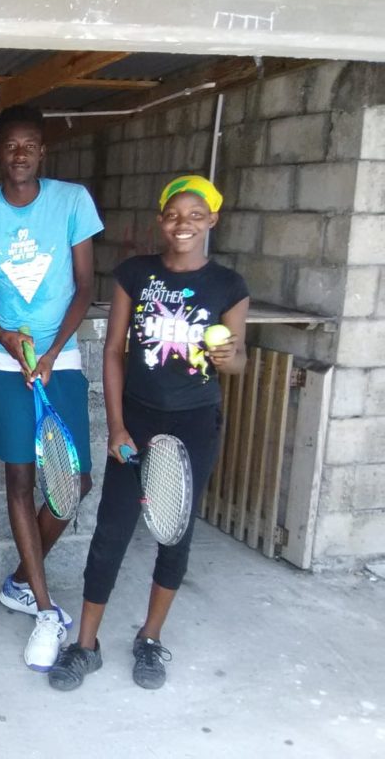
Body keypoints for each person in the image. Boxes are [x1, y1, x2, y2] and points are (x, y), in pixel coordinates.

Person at [48, 175, 249, 692]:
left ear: (212, 220)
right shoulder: (135, 274)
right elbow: (114, 351)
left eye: (196, 215)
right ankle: (85, 645)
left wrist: (230, 357)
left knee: (174, 534)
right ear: (161, 220)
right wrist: (116, 425)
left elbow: (238, 361)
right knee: (111, 531)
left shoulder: (229, 285)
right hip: (136, 419)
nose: (184, 224)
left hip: (195, 422)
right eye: (174, 215)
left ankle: (151, 639)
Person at [0, 104, 103, 672]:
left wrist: (54, 350)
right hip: (3, 362)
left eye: (29, 145)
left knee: (75, 483)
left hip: (59, 360)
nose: (20, 154)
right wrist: (5, 337)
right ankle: (44, 608)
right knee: (20, 480)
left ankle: (18, 580)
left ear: (42, 151)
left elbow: (85, 286)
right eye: (10, 145)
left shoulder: (72, 201)